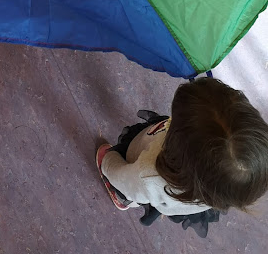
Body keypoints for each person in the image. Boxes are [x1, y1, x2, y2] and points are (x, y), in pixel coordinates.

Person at [96, 78, 268, 237]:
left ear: (177, 141)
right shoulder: (221, 184)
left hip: (136, 176)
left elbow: (121, 177)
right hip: (171, 192)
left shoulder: (147, 175)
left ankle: (123, 198)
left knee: (129, 189)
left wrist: (108, 159)